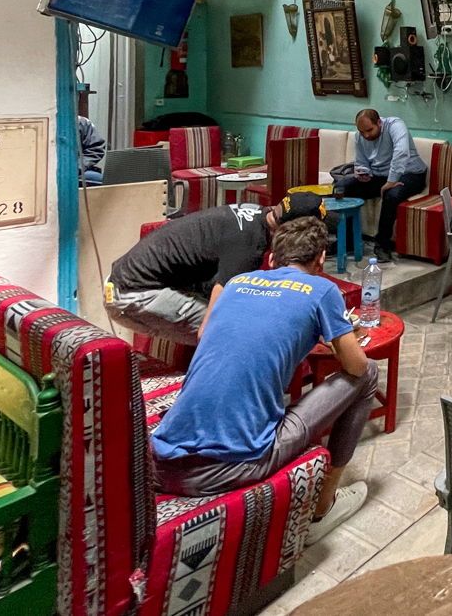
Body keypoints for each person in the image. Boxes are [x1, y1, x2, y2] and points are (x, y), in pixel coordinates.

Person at [152, 216, 376, 544]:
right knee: (369, 374)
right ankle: (323, 506)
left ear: (272, 259)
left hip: (164, 462)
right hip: (228, 467)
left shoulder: (238, 283)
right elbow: (355, 366)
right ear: (321, 260)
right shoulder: (323, 289)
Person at [105, 192, 330, 346]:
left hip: (127, 280)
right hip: (131, 295)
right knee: (231, 332)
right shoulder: (249, 247)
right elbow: (210, 327)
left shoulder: (255, 214)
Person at [343, 109, 428, 262]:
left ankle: (382, 244)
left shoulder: (395, 125)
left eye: (370, 130)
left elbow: (401, 152)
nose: (366, 135)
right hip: (380, 176)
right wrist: (362, 172)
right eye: (362, 132)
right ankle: (348, 241)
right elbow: (361, 162)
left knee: (392, 195)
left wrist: (391, 180)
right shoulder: (359, 137)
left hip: (410, 174)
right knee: (345, 188)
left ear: (379, 122)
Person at [78, 115, 106, 186]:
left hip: (76, 172)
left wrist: (78, 167)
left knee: (103, 180)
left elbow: (96, 149)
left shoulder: (81, 122)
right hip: (47, 173)